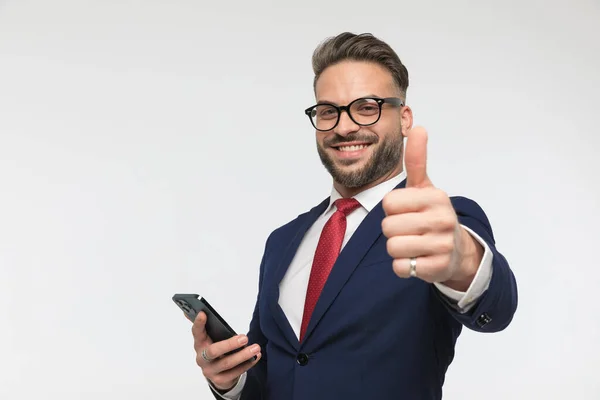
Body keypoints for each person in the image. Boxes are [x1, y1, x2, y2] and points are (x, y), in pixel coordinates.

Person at [188, 32, 518, 400]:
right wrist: (230, 381)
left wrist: (462, 259)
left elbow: (497, 306)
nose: (344, 127)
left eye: (366, 107)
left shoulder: (437, 221)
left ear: (404, 118)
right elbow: (275, 376)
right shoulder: (282, 242)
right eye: (328, 111)